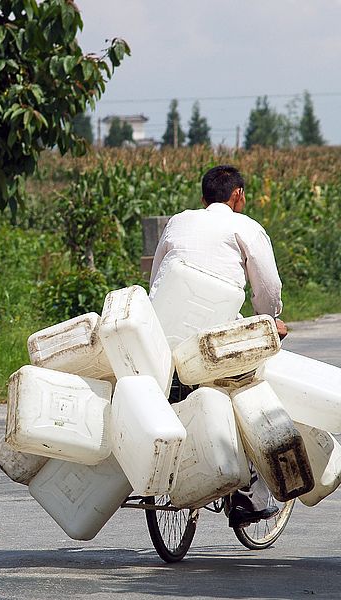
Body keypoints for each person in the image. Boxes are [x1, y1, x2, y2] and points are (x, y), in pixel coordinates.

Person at [148, 164, 287, 529]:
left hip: (166, 329)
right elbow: (267, 287)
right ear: (237, 195)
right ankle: (248, 496)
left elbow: (159, 277)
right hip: (219, 333)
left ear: (202, 197)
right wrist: (270, 319)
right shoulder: (246, 227)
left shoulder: (178, 221)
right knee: (249, 392)